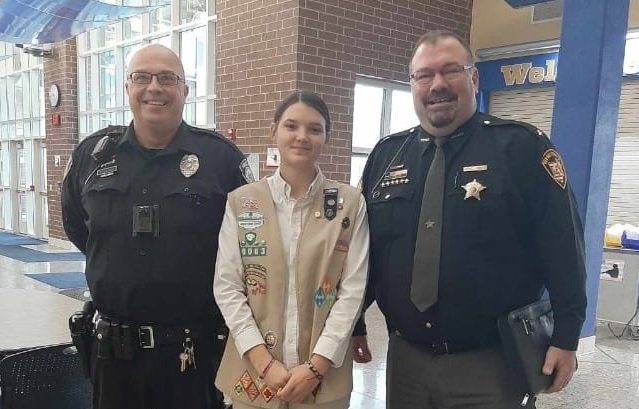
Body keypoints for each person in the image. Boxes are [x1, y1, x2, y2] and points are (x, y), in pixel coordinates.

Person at [355, 30, 587, 409]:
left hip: (491, 363)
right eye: (424, 75)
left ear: (474, 78)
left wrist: (566, 336)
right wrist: (355, 322)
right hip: (406, 360)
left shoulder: (521, 148)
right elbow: (366, 254)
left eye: (451, 71)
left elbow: (563, 248)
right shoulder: (386, 157)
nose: (437, 85)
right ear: (412, 84)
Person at [61, 43, 253, 409]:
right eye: (142, 77)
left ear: (185, 90)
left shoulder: (220, 159)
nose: (154, 87)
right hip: (112, 356)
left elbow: (247, 243)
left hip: (191, 354)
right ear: (127, 87)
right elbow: (77, 227)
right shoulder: (93, 155)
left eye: (167, 78)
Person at [213, 90, 369, 409]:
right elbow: (227, 287)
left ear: (326, 137)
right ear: (274, 131)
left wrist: (317, 366)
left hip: (323, 379)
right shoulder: (242, 202)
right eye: (291, 126)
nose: (302, 136)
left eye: (314, 129)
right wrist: (264, 362)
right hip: (255, 376)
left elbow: (352, 291)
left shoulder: (349, 204)